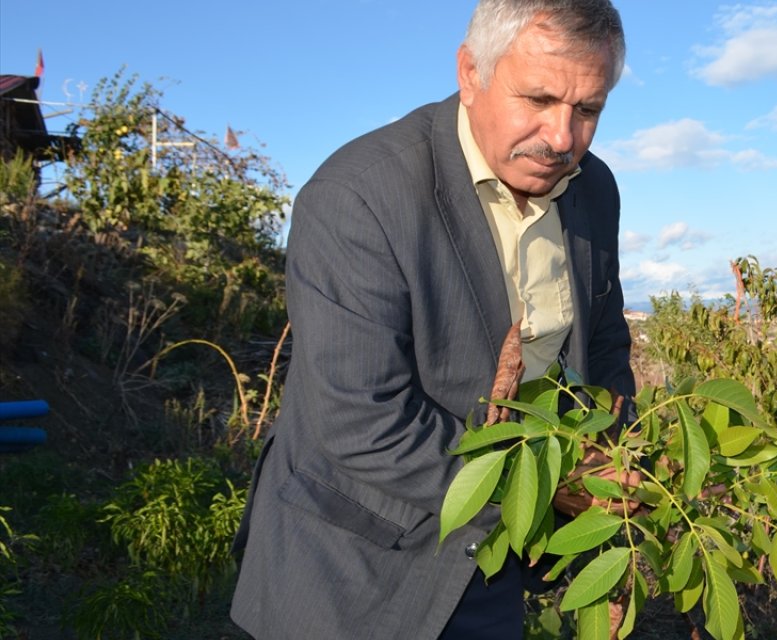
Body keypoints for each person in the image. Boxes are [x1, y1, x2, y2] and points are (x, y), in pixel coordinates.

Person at [229, 1, 634, 638]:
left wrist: (617, 448)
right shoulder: (358, 196)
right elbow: (362, 419)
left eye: (588, 109)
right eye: (537, 98)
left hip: (493, 563)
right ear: (471, 72)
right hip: (354, 570)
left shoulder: (593, 188)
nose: (562, 137)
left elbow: (605, 338)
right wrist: (545, 486)